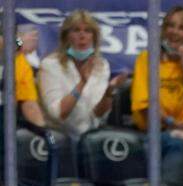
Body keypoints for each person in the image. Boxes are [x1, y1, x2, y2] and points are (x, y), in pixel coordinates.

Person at [130, 6, 183, 183]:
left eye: (181, 28)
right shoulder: (147, 58)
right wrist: (172, 123)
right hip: (152, 131)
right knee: (174, 140)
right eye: (171, 26)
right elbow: (144, 106)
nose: (174, 32)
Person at [38, 10, 128, 139]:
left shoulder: (101, 66)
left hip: (90, 138)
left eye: (87, 31)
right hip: (60, 137)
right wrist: (82, 83)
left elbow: (97, 115)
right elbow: (59, 114)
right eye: (76, 30)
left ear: (94, 37)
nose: (82, 36)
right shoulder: (50, 65)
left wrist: (110, 91)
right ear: (66, 37)